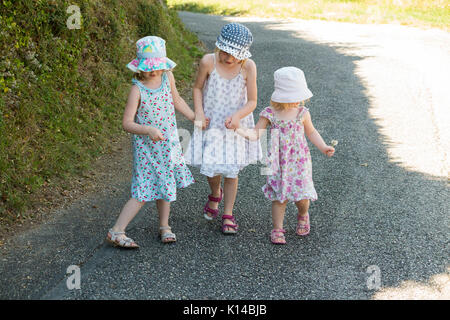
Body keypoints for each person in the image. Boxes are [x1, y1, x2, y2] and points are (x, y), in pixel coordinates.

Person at [106, 36, 196, 248]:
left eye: (157, 67)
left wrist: (194, 117)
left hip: (168, 143)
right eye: (149, 68)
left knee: (166, 183)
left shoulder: (167, 77)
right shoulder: (137, 89)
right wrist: (148, 130)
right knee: (143, 189)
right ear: (140, 67)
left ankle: (164, 226)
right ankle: (117, 230)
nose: (154, 72)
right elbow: (127, 123)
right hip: (147, 148)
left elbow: (177, 100)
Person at [236, 67, 335, 244]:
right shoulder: (269, 113)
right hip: (277, 162)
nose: (296, 102)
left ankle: (303, 213)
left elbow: (311, 133)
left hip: (299, 161)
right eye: (293, 98)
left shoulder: (302, 113)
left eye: (298, 98)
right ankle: (277, 228)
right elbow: (256, 134)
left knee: (302, 196)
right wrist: (238, 129)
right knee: (278, 196)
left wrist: (324, 147)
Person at [186, 22, 260, 234]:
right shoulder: (208, 62)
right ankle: (214, 193)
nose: (228, 59)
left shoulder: (248, 67)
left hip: (234, 126)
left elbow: (253, 101)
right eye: (225, 52)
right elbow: (198, 88)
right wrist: (199, 113)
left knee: (231, 171)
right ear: (219, 47)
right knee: (212, 169)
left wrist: (237, 117)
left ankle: (228, 213)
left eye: (234, 55)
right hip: (212, 123)